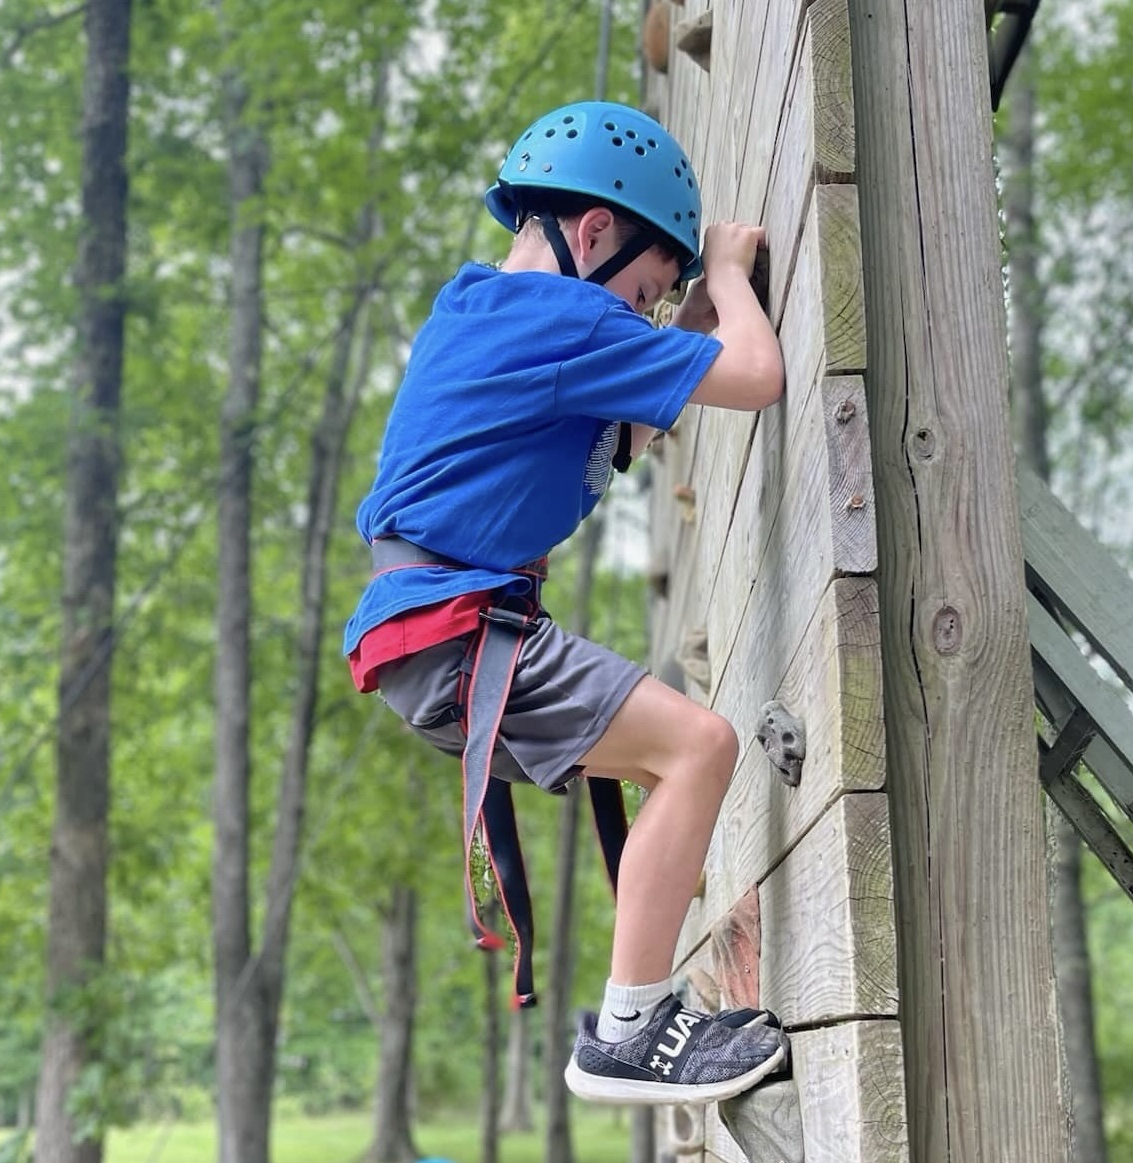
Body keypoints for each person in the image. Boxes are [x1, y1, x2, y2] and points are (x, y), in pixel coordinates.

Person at [343, 100, 788, 1106]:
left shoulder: (487, 316)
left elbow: (633, 415)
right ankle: (631, 1029)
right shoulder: (566, 320)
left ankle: (640, 1013)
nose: (639, 317)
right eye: (641, 293)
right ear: (592, 234)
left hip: (429, 636)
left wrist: (682, 311)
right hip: (457, 632)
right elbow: (757, 377)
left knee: (667, 755)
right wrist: (720, 273)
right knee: (701, 746)